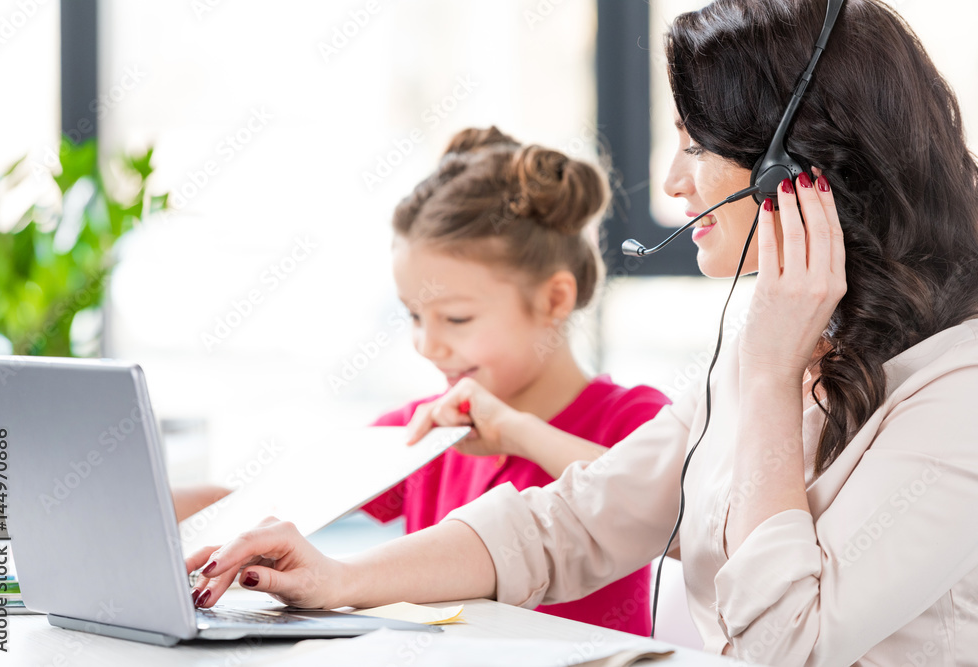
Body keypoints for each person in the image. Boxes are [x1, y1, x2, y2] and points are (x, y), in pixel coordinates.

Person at [184, 0, 978, 663]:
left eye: (695, 145)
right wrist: (342, 577)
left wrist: (773, 378)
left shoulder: (954, 395)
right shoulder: (774, 342)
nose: (671, 181)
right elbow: (571, 521)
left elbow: (786, 647)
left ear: (797, 171)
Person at [355, 126, 669, 636]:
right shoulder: (425, 426)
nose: (427, 345)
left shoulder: (633, 420)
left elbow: (665, 505)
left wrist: (516, 430)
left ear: (553, 300)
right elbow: (283, 497)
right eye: (414, 316)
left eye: (455, 319)